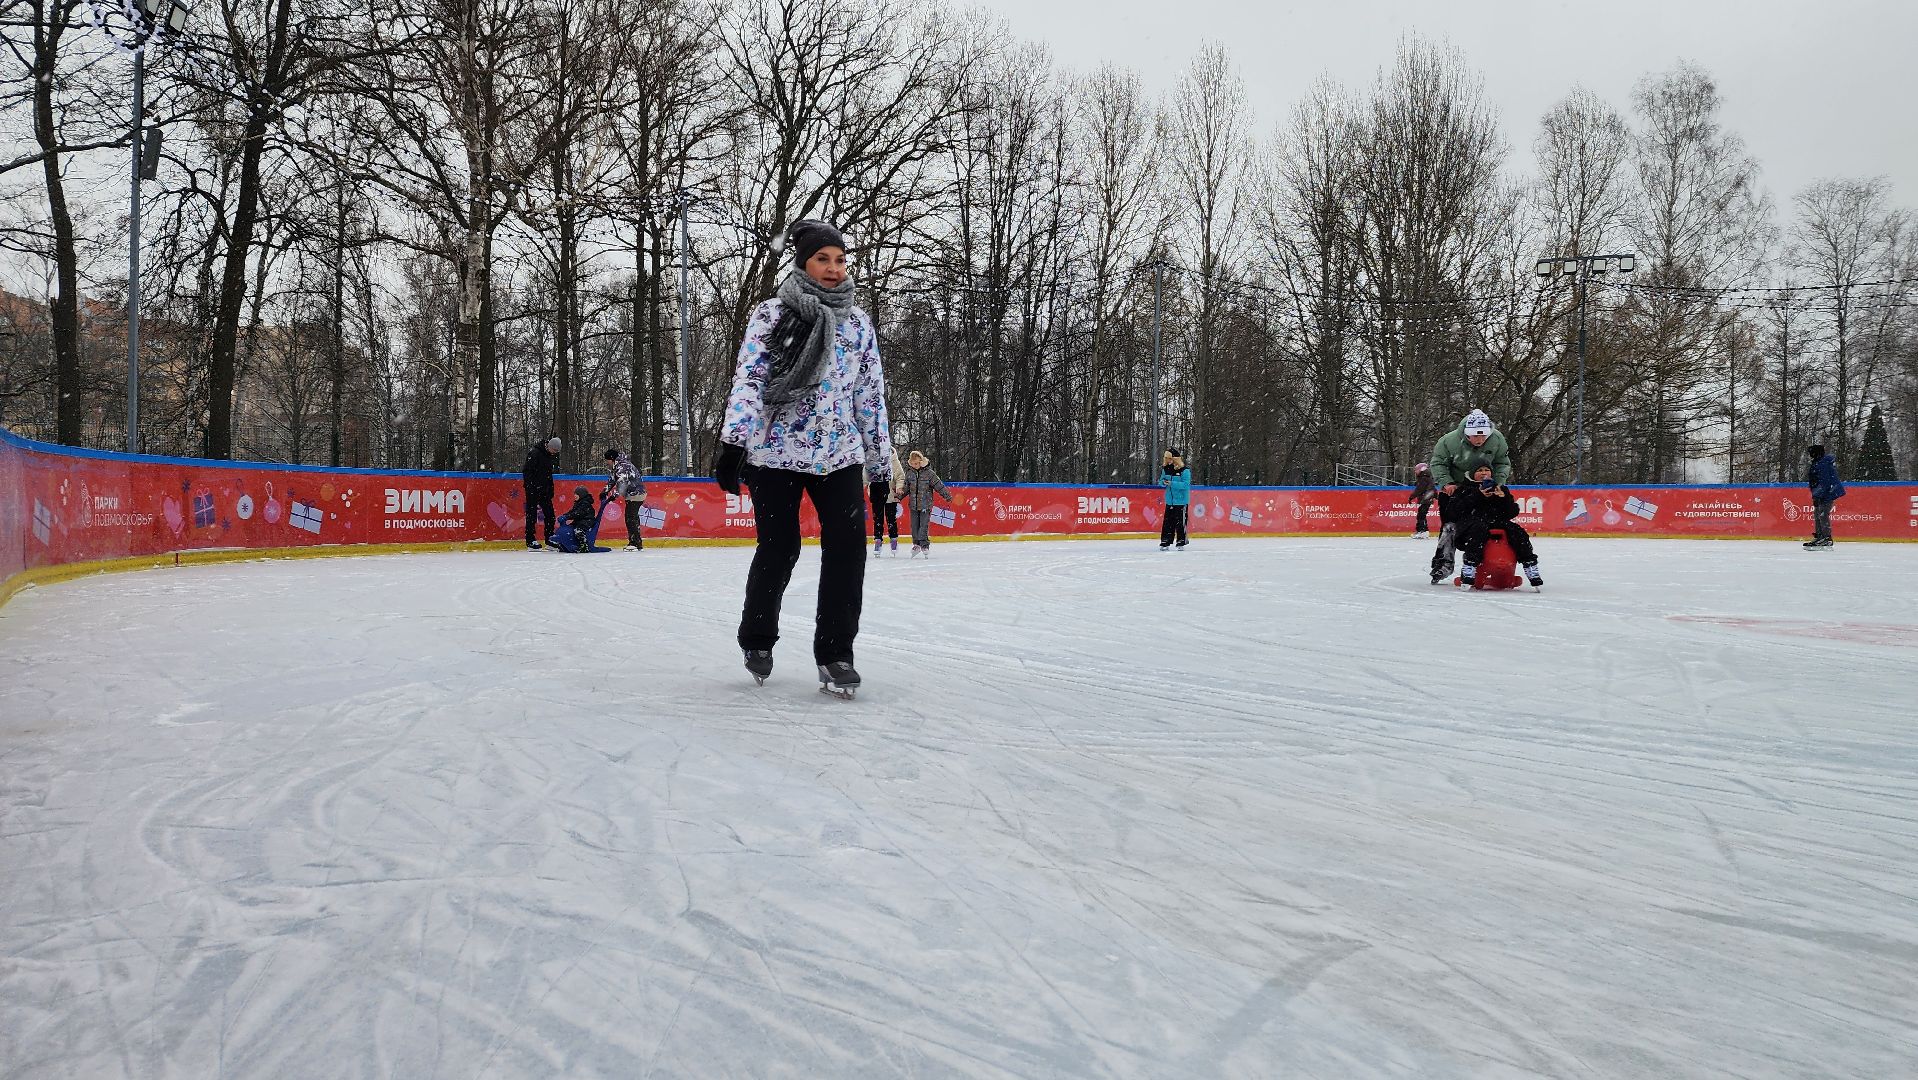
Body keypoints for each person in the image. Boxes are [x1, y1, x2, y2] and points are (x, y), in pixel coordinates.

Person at [712, 218, 890, 696]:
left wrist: (878, 466)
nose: (834, 269)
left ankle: (835, 654)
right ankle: (757, 639)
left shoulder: (857, 324)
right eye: (822, 260)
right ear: (803, 263)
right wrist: (734, 443)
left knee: (848, 551)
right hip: (774, 455)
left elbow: (869, 396)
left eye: (840, 260)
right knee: (780, 546)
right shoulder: (772, 314)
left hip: (841, 454)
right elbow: (749, 382)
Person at [1426, 408, 1512, 584]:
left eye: (1484, 437)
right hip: (1456, 489)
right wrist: (1447, 483)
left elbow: (1503, 462)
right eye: (1476, 437)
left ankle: (1483, 562)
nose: (1480, 440)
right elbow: (1438, 463)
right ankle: (1443, 564)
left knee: (1487, 525)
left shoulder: (1497, 439)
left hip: (1485, 489)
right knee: (1449, 527)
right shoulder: (1449, 441)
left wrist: (1497, 482)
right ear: (1466, 434)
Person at [1451, 465, 1542, 588]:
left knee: (1517, 531)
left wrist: (1503, 498)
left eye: (1487, 470)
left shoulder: (1500, 488)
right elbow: (1455, 511)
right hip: (1470, 525)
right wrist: (1478, 495)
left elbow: (1512, 512)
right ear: (1473, 474)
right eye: (1479, 470)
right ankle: (1470, 566)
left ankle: (1530, 564)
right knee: (1478, 530)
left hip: (1497, 522)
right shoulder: (1464, 489)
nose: (1484, 473)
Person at [901, 450, 955, 557]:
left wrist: (947, 495)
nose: (915, 465)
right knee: (914, 526)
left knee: (923, 526)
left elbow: (939, 485)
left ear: (921, 461)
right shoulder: (909, 473)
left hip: (926, 505)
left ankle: (924, 545)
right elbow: (906, 488)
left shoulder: (929, 473)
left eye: (916, 463)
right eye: (912, 464)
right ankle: (916, 544)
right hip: (913, 505)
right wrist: (898, 497)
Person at [602, 447, 646, 551]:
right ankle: (637, 542)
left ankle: (635, 543)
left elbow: (622, 483)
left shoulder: (623, 466)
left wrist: (614, 495)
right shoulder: (618, 465)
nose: (606, 463)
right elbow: (613, 479)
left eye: (607, 460)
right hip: (634, 494)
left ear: (612, 459)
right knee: (632, 518)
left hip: (636, 494)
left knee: (630, 518)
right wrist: (605, 491)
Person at [1804, 442, 1847, 549]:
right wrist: (1816, 495)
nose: (1810, 455)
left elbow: (1825, 482)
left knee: (1822, 515)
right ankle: (1820, 536)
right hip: (1822, 493)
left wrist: (1818, 495)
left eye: (1812, 453)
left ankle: (1826, 538)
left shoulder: (1822, 464)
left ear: (1816, 453)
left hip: (1827, 493)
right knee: (1818, 514)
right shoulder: (1818, 462)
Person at [521, 436, 560, 550]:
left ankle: (549, 539)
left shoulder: (548, 456)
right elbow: (527, 472)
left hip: (545, 491)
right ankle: (530, 540)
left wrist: (550, 490)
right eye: (554, 450)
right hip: (533, 490)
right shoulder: (535, 453)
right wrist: (530, 488)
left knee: (550, 515)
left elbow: (548, 476)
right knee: (531, 515)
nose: (555, 453)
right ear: (549, 447)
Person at [870, 440, 905, 556]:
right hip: (877, 496)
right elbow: (866, 474)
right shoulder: (873, 460)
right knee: (878, 519)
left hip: (890, 496)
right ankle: (878, 540)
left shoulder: (894, 461)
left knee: (891, 519)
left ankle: (893, 539)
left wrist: (899, 487)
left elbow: (900, 476)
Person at [552, 486, 609, 553]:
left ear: (581, 495)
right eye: (575, 494)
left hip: (587, 521)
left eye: (577, 494)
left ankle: (584, 545)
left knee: (578, 530)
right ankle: (566, 544)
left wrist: (567, 517)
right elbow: (572, 511)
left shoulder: (585, 504)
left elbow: (578, 513)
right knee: (570, 528)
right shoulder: (578, 502)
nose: (575, 496)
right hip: (580, 520)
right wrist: (565, 515)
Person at [1159, 448, 1191, 550]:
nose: (1168, 460)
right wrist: (1163, 482)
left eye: (1169, 458)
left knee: (1181, 523)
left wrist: (1172, 483)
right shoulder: (1166, 469)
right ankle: (1165, 541)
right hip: (1170, 501)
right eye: (1166, 458)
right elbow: (1161, 481)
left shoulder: (1184, 471)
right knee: (1168, 522)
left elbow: (1185, 485)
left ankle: (1181, 541)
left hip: (1181, 502)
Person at [1408, 462, 1436, 539]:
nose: (1415, 472)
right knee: (1422, 515)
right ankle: (1424, 531)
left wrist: (1411, 497)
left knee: (1421, 516)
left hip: (1425, 499)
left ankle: (1422, 531)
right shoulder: (1427, 477)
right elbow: (1433, 488)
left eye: (1416, 470)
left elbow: (1419, 489)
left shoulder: (1423, 478)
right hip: (1427, 499)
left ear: (1422, 469)